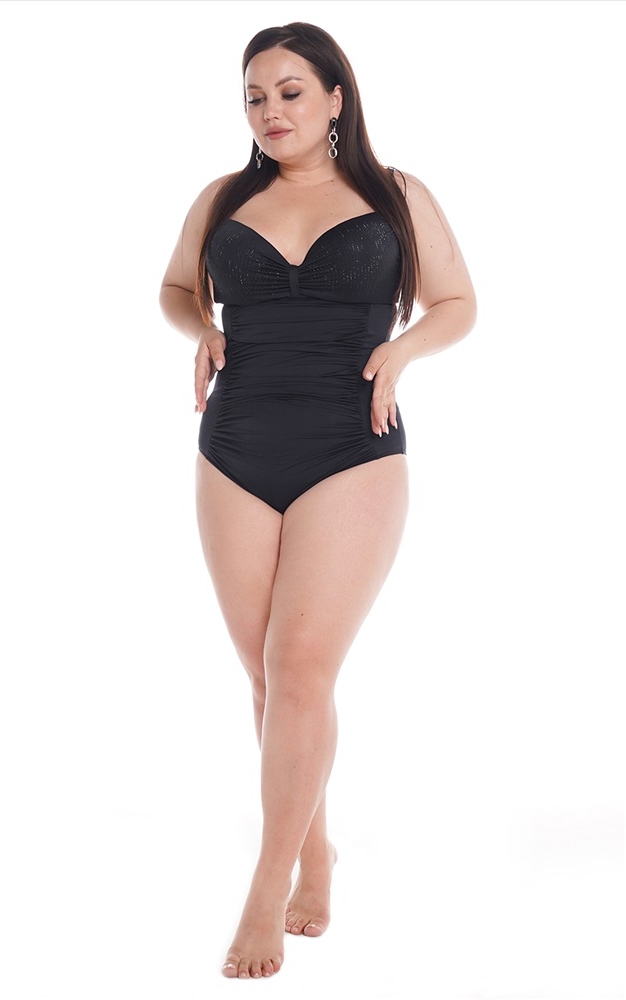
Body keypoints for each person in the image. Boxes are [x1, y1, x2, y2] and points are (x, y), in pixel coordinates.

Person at [159, 21, 476, 980]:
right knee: (269, 680)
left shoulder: (396, 195)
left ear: (336, 97)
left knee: (299, 669)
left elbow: (457, 303)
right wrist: (201, 328)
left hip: (352, 444)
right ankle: (317, 848)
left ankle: (270, 888)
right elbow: (175, 287)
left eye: (290, 92)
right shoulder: (224, 199)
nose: (271, 112)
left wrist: (401, 351)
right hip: (235, 447)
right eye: (255, 97)